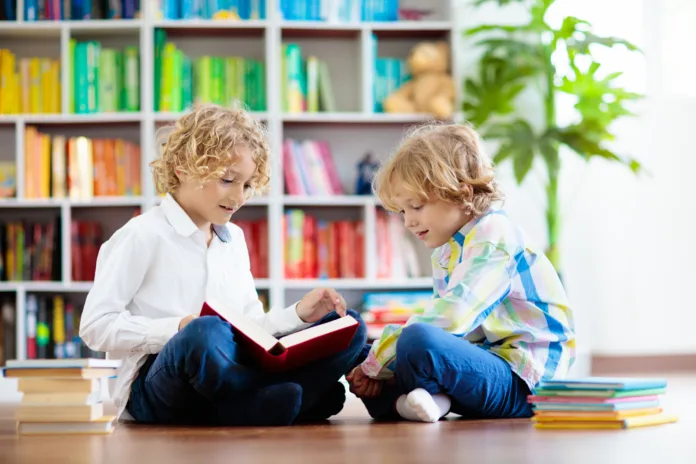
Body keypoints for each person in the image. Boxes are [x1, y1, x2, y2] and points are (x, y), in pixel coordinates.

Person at [79, 103, 367, 426]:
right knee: (206, 332)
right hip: (156, 386)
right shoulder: (141, 235)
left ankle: (261, 401)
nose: (240, 197)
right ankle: (287, 398)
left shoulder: (235, 239)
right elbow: (94, 326)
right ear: (182, 169)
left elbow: (249, 327)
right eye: (228, 180)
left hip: (229, 370)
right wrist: (176, 328)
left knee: (349, 325)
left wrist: (300, 313)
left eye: (246, 185)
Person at [346, 122, 575, 423]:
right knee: (354, 346)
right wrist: (371, 364)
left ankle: (422, 401)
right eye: (403, 212)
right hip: (484, 368)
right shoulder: (446, 249)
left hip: (525, 381)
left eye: (416, 206)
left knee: (415, 341)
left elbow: (452, 318)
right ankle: (423, 401)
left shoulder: (494, 236)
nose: (408, 222)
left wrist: (378, 364)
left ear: (460, 192)